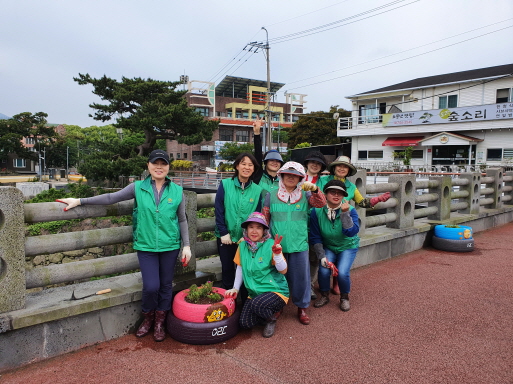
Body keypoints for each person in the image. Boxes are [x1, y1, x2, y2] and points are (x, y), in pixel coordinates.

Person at [56, 149, 191, 342]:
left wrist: (186, 246)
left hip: (170, 246)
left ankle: (160, 322)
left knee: (166, 285)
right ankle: (148, 318)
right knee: (151, 286)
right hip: (145, 246)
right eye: (155, 163)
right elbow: (111, 198)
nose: (159, 167)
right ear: (148, 166)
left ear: (168, 167)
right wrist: (80, 200)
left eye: (163, 164)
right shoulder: (138, 187)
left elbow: (182, 220)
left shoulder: (177, 191)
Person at [262, 161, 326, 325]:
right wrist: (265, 240)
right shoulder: (271, 194)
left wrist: (316, 189)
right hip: (277, 246)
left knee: (301, 278)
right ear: (281, 176)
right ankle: (277, 306)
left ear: (300, 178)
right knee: (276, 277)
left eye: (295, 175)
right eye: (287, 174)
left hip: (299, 243)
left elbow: (321, 203)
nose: (291, 177)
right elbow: (265, 218)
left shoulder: (305, 195)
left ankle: (302, 307)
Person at [317, 155, 389, 294]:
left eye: (345, 167)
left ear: (349, 170)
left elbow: (361, 202)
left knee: (341, 257)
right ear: (334, 167)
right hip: (323, 220)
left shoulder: (351, 187)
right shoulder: (323, 180)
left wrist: (376, 199)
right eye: (339, 165)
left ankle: (337, 281)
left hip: (341, 223)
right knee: (321, 255)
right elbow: (316, 196)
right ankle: (321, 284)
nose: (342, 168)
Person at [225, 212, 289, 338]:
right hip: (255, 294)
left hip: (276, 292)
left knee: (257, 304)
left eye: (259, 227)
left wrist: (277, 254)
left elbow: (283, 270)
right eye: (251, 227)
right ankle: (266, 312)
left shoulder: (271, 245)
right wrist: (235, 288)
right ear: (246, 229)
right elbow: (240, 268)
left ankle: (272, 319)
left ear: (264, 230)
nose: (254, 231)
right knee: (245, 323)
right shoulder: (242, 245)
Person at [214, 152, 263, 298]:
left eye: (250, 165)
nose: (246, 167)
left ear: (254, 169)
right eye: (243, 163)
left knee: (246, 271)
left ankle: (245, 307)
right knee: (228, 270)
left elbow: (256, 216)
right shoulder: (225, 185)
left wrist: (247, 236)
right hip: (225, 237)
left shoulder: (257, 190)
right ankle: (228, 305)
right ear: (237, 166)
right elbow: (219, 209)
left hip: (245, 239)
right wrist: (223, 232)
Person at [310, 180, 360, 311]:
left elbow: (351, 232)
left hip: (347, 245)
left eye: (340, 193)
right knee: (324, 269)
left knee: (343, 272)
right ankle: (325, 295)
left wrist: (345, 214)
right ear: (325, 194)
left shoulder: (351, 210)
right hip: (329, 246)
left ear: (344, 195)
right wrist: (321, 256)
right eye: (332, 192)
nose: (336, 195)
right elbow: (315, 236)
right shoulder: (317, 211)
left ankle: (344, 298)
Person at [302, 151, 328, 300]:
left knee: (313, 257)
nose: (315, 165)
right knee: (298, 256)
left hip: (317, 222)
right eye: (312, 162)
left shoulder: (324, 182)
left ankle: (310, 285)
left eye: (318, 163)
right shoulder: (297, 176)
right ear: (306, 163)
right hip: (297, 222)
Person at [252, 117, 284, 192]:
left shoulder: (284, 180)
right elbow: (258, 155)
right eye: (271, 160)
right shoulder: (258, 175)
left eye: (277, 161)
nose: (275, 163)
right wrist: (257, 133)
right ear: (266, 162)